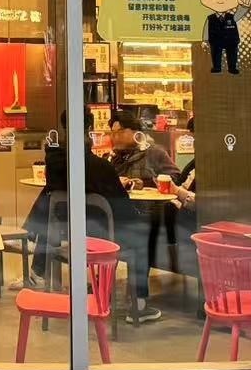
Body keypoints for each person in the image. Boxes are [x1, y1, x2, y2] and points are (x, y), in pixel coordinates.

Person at [24, 111, 163, 323]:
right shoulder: (102, 167)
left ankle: (94, 286)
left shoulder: (55, 166)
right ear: (89, 132)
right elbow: (123, 210)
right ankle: (139, 305)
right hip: (104, 238)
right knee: (142, 235)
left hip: (71, 234)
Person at [107, 108, 172, 188]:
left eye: (120, 132)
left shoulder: (155, 152)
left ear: (136, 132)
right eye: (113, 133)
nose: (116, 137)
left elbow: (175, 177)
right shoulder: (112, 157)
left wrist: (145, 184)